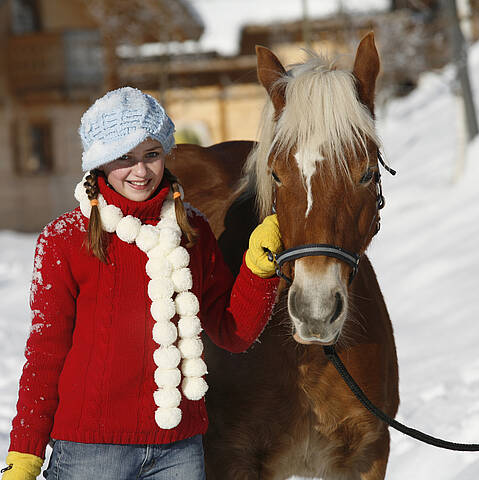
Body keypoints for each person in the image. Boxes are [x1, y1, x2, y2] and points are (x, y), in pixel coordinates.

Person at [2, 87, 282, 480]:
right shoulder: (64, 238)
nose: (140, 171)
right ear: (99, 161)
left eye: (151, 154)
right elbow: (45, 354)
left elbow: (233, 332)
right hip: (91, 454)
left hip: (178, 452)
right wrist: (25, 452)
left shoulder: (192, 230)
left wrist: (259, 268)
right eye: (124, 157)